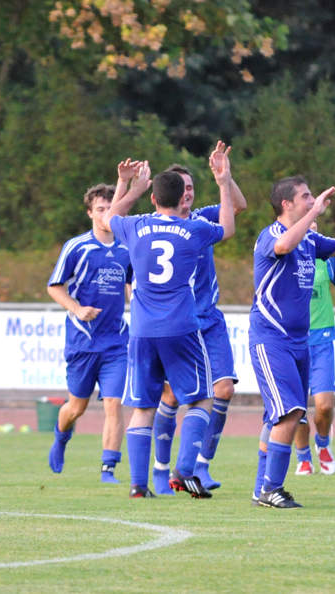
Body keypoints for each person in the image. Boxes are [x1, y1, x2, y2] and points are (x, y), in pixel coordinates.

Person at [100, 150, 234, 498]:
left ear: (154, 198)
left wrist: (131, 187)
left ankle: (138, 485)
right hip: (181, 327)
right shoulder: (194, 229)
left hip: (142, 330)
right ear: (183, 198)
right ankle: (185, 469)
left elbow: (110, 218)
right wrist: (223, 183)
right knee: (202, 400)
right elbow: (229, 228)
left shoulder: (136, 226)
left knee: (143, 407)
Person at [249, 176, 335, 508]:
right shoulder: (271, 234)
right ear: (287, 204)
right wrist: (313, 214)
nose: (312, 200)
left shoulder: (310, 239)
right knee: (289, 413)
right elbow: (283, 247)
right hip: (271, 339)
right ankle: (270, 489)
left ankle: (262, 489)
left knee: (284, 415)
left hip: (299, 341)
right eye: (305, 196)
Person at [149, 142, 248, 496]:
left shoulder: (204, 219)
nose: (187, 192)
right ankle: (161, 470)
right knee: (173, 395)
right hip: (175, 324)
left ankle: (201, 465)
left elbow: (238, 206)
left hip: (208, 321)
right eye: (182, 187)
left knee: (224, 389)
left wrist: (225, 178)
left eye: (191, 186)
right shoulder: (154, 228)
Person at [46, 163, 143, 483]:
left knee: (114, 403)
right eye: (100, 209)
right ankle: (61, 438)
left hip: (116, 342)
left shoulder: (127, 249)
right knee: (76, 407)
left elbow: (132, 286)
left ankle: (108, 468)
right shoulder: (77, 247)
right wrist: (77, 309)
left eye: (110, 208)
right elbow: (54, 286)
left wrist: (139, 304)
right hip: (83, 341)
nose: (106, 214)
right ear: (90, 213)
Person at [294, 221, 335, 476]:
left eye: (315, 223)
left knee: (324, 406)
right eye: (307, 222)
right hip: (292, 341)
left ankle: (322, 444)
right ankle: (303, 457)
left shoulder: (327, 256)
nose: (311, 227)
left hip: (321, 339)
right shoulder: (286, 253)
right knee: (296, 408)